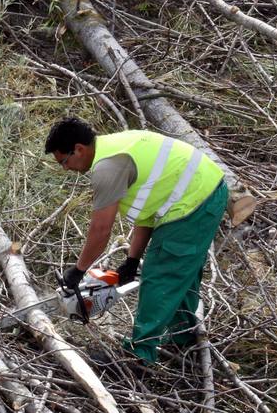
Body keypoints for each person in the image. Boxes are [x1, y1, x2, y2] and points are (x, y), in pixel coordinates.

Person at [44, 117, 228, 366]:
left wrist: (78, 271)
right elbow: (147, 211)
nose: (65, 168)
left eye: (64, 161)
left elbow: (101, 229)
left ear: (79, 149)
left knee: (160, 274)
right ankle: (182, 338)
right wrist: (131, 260)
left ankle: (140, 356)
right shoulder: (115, 148)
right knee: (181, 272)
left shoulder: (107, 168)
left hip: (194, 199)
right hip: (205, 192)